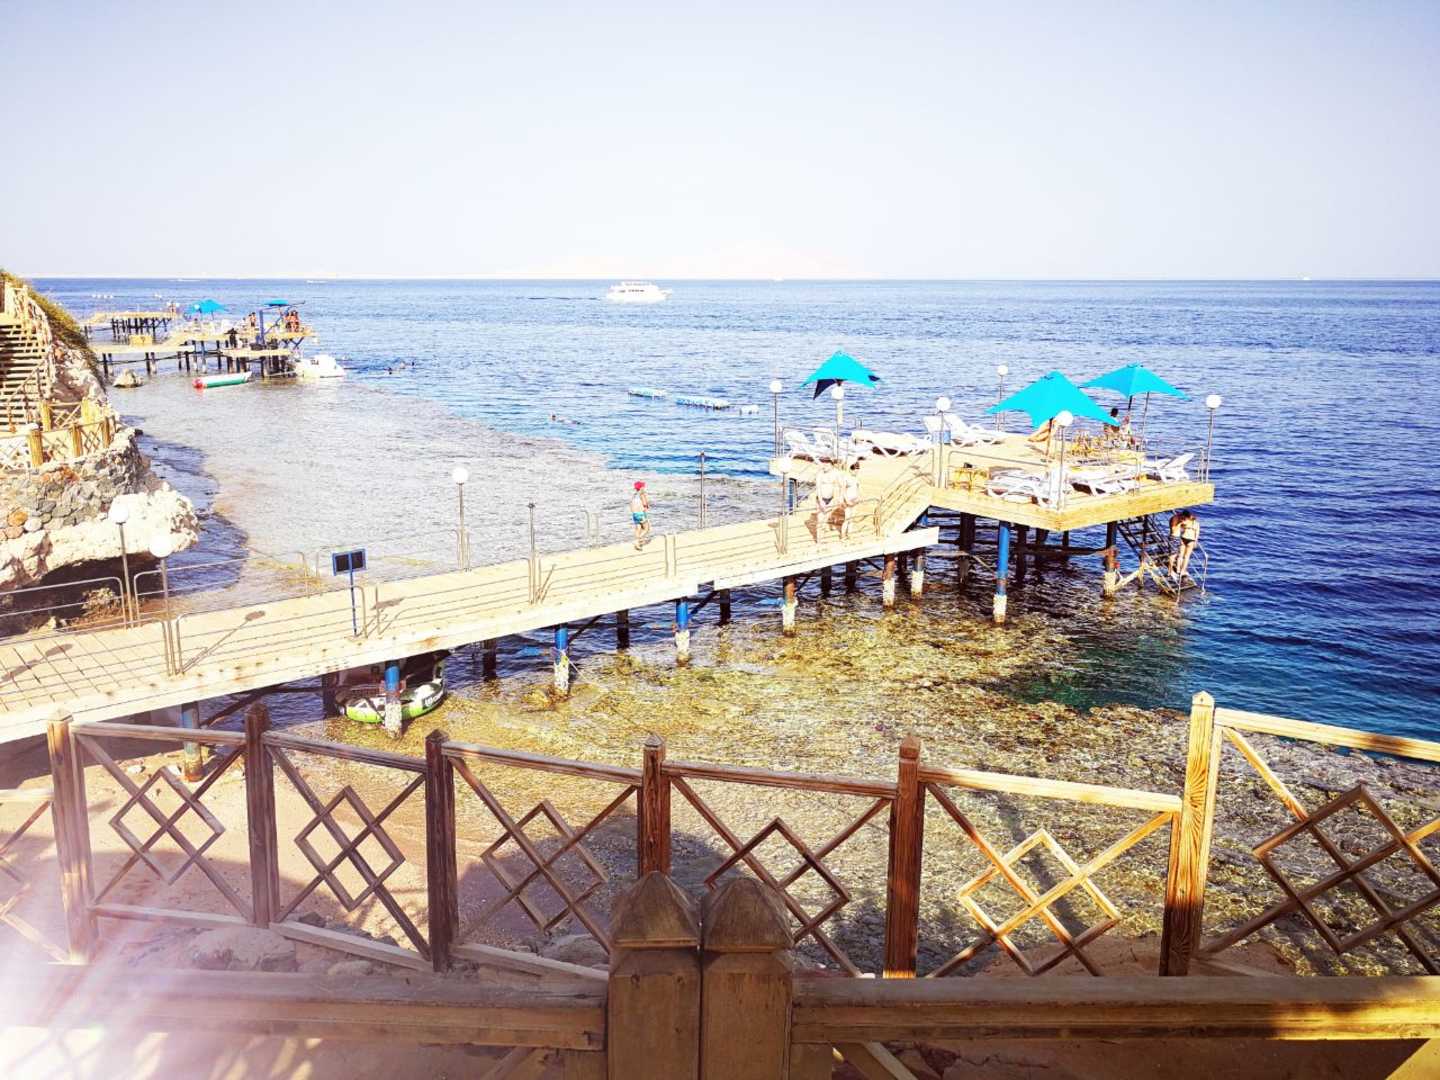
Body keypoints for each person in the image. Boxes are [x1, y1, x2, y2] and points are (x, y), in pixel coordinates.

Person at [814, 464, 840, 536]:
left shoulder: (834, 474)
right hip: (821, 499)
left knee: (825, 520)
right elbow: (818, 488)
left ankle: (822, 536)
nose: (824, 467)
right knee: (820, 521)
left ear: (831, 466)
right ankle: (819, 541)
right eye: (824, 465)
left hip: (830, 499)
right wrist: (821, 500)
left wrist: (835, 499)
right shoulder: (820, 475)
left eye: (827, 465)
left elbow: (836, 486)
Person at [1174, 511, 1200, 579]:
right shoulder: (1197, 524)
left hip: (1183, 538)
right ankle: (1183, 571)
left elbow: (1180, 527)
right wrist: (1196, 542)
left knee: (1180, 555)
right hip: (1191, 540)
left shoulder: (1185, 522)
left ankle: (1178, 569)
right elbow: (1197, 534)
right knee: (1187, 557)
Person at [630, 481, 651, 549]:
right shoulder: (642, 494)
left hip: (634, 514)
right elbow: (644, 503)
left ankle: (638, 542)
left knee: (638, 528)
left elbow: (631, 504)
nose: (644, 487)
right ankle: (638, 541)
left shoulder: (634, 495)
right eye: (643, 486)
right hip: (640, 514)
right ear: (641, 488)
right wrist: (647, 505)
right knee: (646, 528)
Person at [840, 470, 861, 539]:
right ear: (851, 470)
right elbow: (843, 490)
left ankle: (849, 533)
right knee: (847, 517)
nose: (856, 472)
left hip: (855, 500)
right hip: (848, 500)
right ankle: (843, 534)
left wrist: (858, 497)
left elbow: (858, 488)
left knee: (852, 518)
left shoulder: (857, 478)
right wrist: (846, 500)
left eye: (857, 471)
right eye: (855, 471)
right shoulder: (846, 478)